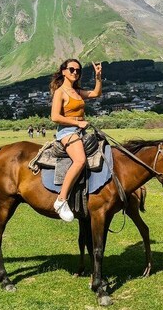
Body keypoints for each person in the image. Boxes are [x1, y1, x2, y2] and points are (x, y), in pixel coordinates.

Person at [50, 58, 103, 222]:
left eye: (78, 71)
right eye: (71, 69)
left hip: (80, 130)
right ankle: (61, 200)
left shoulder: (76, 92)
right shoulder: (60, 92)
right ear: (63, 71)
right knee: (80, 160)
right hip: (66, 131)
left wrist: (98, 76)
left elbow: (96, 93)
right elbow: (55, 117)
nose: (75, 73)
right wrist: (77, 122)